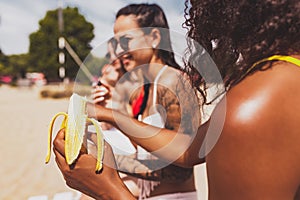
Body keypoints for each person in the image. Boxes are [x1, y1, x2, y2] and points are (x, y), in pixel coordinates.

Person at [53, 0, 300, 199]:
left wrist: (108, 188)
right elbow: (188, 149)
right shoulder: (281, 77)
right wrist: (112, 115)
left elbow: (179, 168)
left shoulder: (253, 105)